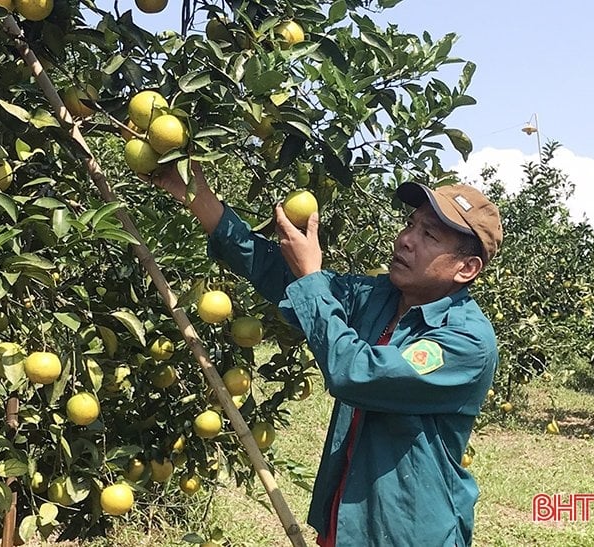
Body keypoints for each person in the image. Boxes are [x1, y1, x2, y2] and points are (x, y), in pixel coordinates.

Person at [152, 164, 503, 547]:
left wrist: (310, 281)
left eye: (429, 235)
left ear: (466, 269)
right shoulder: (379, 298)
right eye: (411, 225)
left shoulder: (466, 341)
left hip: (407, 534)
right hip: (345, 522)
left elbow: (355, 373)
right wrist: (196, 194)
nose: (406, 240)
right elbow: (278, 272)